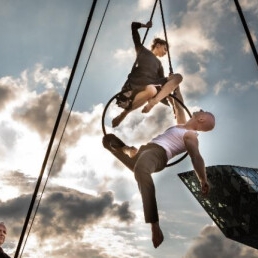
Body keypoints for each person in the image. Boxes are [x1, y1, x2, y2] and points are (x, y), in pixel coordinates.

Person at [121, 99, 215, 248]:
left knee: (141, 170)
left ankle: (154, 224)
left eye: (203, 111)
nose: (201, 109)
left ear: (202, 119)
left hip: (158, 154)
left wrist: (203, 179)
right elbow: (178, 106)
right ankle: (130, 152)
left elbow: (196, 156)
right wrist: (175, 90)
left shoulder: (190, 135)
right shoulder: (182, 125)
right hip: (145, 151)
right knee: (108, 140)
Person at [112, 20, 183, 127]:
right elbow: (133, 26)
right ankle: (124, 113)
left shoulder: (159, 64)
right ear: (158, 45)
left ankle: (152, 103)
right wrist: (146, 26)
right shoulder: (142, 51)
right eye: (165, 49)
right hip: (133, 88)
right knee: (152, 89)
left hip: (149, 89)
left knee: (177, 78)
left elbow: (164, 87)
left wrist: (173, 104)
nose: (165, 53)